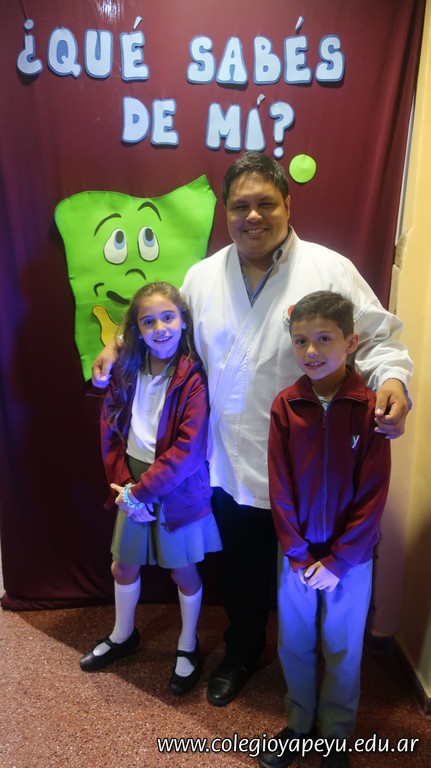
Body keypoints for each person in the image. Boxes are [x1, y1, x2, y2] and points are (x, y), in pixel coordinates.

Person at [91, 153, 412, 708]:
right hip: (227, 459)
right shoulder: (202, 276)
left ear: (289, 205)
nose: (253, 216)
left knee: (307, 575)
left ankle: (316, 684)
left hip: (309, 466)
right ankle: (241, 652)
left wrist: (395, 383)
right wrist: (118, 345)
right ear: (226, 212)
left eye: (266, 203)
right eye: (241, 206)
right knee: (241, 569)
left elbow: (378, 339)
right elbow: (166, 330)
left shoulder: (328, 269)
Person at [260, 291, 391, 768]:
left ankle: (336, 733)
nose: (311, 351)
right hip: (297, 554)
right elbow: (279, 486)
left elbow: (373, 494)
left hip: (349, 561)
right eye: (301, 341)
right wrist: (296, 553)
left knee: (343, 646)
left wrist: (339, 560)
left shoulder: (369, 408)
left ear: (350, 342)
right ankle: (298, 723)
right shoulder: (286, 405)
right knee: (294, 642)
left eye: (323, 339)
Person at [80, 282, 222, 695]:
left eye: (168, 318)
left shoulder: (193, 376)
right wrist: (126, 486)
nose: (160, 328)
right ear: (137, 330)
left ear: (183, 322)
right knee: (122, 567)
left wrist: (141, 493)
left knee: (182, 571)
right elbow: (110, 427)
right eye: (148, 322)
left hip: (174, 487)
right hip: (130, 482)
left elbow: (188, 450)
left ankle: (188, 644)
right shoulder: (126, 367)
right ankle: (123, 635)